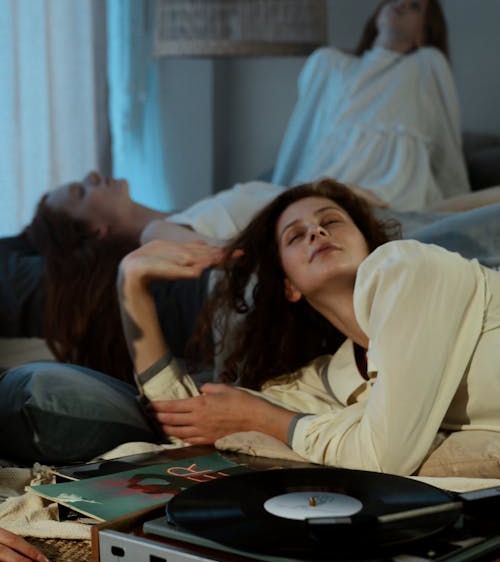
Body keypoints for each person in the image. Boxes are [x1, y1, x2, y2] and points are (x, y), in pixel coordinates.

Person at [117, 179, 500, 478]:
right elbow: (191, 421)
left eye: (331, 221)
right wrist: (131, 285)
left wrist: (267, 419)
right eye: (295, 236)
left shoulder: (407, 267)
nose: (317, 232)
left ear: (369, 245)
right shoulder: (325, 381)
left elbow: (385, 457)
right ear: (290, 286)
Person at [271, 0, 472, 210]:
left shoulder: (426, 64)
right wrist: (280, 191)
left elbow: (446, 145)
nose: (401, 5)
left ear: (423, 34)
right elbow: (301, 133)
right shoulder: (330, 63)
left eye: (414, 6)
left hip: (388, 194)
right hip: (321, 185)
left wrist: (458, 205)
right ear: (378, 14)